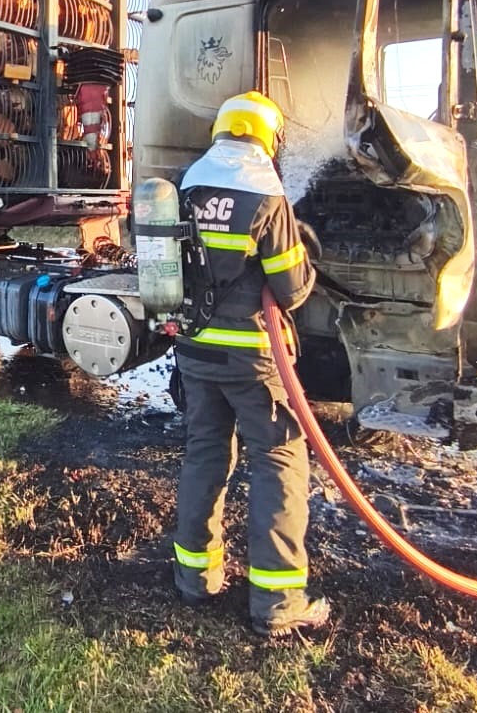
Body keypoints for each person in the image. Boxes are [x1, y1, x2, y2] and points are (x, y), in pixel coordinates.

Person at [170, 91, 328, 637]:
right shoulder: (265, 194)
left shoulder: (187, 185)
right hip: (252, 360)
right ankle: (279, 601)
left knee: (205, 454)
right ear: (267, 138)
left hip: (194, 351)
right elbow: (292, 290)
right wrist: (302, 251)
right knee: (279, 461)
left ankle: (194, 579)